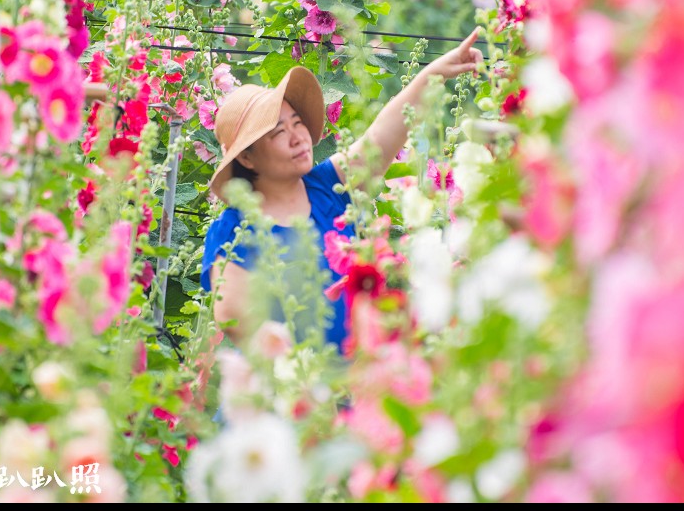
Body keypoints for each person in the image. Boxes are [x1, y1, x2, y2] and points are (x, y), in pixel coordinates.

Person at [200, 30, 483, 352]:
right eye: (279, 132)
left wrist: (435, 73)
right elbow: (238, 323)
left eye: (297, 123)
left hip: (355, 387)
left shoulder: (328, 187)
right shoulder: (233, 231)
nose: (298, 137)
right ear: (247, 157)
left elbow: (382, 133)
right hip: (287, 394)